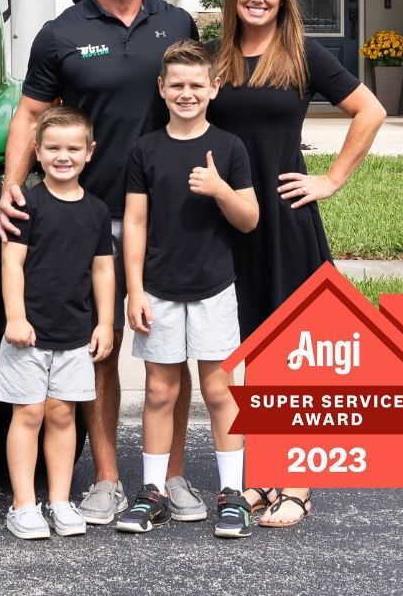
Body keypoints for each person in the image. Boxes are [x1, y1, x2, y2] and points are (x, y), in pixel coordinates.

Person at [0, 0, 202, 526]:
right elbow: (31, 116)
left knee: (170, 355)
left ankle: (171, 478)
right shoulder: (60, 33)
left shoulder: (178, 23)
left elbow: (199, 102)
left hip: (169, 217)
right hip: (87, 221)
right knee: (100, 352)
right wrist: (12, 187)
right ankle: (109, 479)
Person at [207, 0, 386, 528]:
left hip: (285, 216)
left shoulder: (300, 53)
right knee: (250, 349)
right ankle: (262, 476)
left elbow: (370, 110)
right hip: (232, 217)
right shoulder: (219, 58)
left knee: (290, 349)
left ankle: (298, 485)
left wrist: (331, 178)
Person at [118, 40, 259, 539]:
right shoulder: (146, 149)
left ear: (214, 88)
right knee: (160, 391)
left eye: (196, 85)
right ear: (161, 88)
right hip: (158, 288)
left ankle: (232, 495)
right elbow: (134, 222)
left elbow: (249, 219)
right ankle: (153, 491)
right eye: (176, 85)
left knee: (220, 392)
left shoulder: (229, 147)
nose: (186, 93)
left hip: (214, 288)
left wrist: (220, 188)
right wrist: (134, 289)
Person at [0, 106, 115, 540]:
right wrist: (15, 317)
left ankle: (60, 501)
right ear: (37, 152)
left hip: (74, 334)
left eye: (72, 149)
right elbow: (12, 263)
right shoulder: (27, 204)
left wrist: (105, 323)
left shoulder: (98, 212)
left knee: (63, 415)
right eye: (53, 148)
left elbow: (102, 270)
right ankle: (24, 505)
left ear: (89, 153)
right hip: (28, 333)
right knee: (27, 414)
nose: (63, 156)